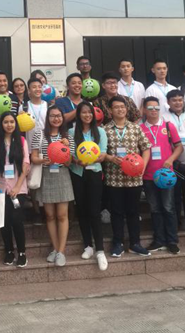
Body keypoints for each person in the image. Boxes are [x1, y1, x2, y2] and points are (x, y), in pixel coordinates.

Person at [103, 96, 152, 258]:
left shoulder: (135, 128)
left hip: (134, 179)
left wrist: (143, 166)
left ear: (126, 109)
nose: (120, 109)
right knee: (116, 212)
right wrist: (111, 158)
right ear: (110, 110)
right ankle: (118, 243)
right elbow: (100, 153)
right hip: (113, 178)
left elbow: (146, 148)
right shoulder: (105, 130)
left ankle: (135, 243)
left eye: (122, 107)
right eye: (116, 107)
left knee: (133, 211)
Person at [31, 106, 74, 267]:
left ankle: (61, 251)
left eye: (59, 116)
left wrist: (66, 148)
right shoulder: (39, 134)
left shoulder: (67, 136)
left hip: (62, 175)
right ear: (47, 118)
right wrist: (44, 161)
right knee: (49, 215)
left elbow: (69, 162)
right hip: (46, 174)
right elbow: (33, 157)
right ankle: (55, 249)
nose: (56, 119)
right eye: (52, 116)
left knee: (62, 215)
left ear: (63, 118)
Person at [140, 96, 182, 255]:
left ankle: (172, 241)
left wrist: (170, 159)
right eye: (150, 108)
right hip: (148, 176)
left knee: (169, 208)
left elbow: (179, 147)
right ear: (144, 110)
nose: (153, 111)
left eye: (156, 108)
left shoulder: (168, 126)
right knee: (155, 209)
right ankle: (158, 240)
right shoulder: (140, 129)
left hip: (166, 176)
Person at [69, 102, 108, 271]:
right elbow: (71, 155)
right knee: (82, 210)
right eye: (84, 112)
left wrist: (94, 158)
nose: (87, 115)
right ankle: (87, 246)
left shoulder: (100, 132)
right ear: (78, 115)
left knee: (94, 211)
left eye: (89, 112)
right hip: (78, 173)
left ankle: (100, 250)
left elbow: (103, 153)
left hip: (94, 174)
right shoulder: (72, 132)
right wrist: (77, 161)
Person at [0, 112, 30, 268]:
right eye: (6, 122)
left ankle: (22, 252)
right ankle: (8, 251)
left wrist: (17, 187)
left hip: (18, 188)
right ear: (1, 124)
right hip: (0, 188)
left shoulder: (21, 141)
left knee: (17, 220)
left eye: (12, 122)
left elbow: (25, 166)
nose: (9, 125)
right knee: (4, 221)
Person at [163, 91, 185, 232]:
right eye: (174, 100)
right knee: (175, 195)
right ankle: (176, 222)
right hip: (173, 163)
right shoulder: (163, 118)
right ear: (168, 102)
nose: (178, 103)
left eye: (180, 100)